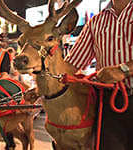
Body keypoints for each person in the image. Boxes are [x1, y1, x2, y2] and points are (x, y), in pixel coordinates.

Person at [64, 0, 133, 149]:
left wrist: (123, 70)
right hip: (111, 104)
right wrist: (44, 81)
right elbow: (71, 65)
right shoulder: (96, 21)